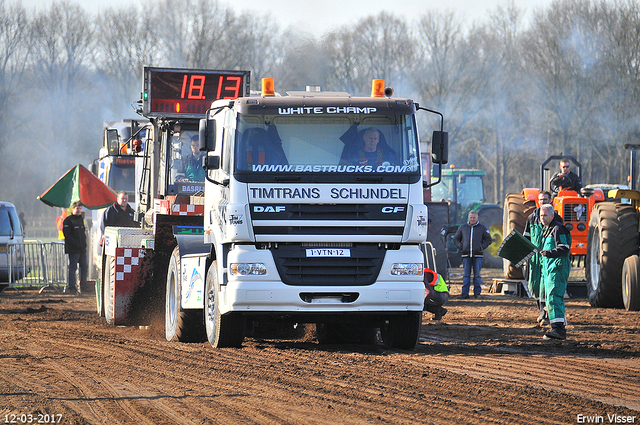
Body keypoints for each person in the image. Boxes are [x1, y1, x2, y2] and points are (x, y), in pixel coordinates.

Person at [523, 191, 563, 326]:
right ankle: (541, 312)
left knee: (546, 287)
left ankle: (546, 315)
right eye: (540, 200)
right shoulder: (531, 218)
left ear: (550, 201)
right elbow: (526, 238)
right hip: (535, 259)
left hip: (549, 258)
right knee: (535, 286)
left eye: (545, 199)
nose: (543, 202)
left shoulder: (556, 219)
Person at [539, 204, 571, 340]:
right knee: (550, 298)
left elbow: (564, 248)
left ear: (552, 215)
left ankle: (559, 330)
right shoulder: (547, 230)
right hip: (549, 269)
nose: (542, 218)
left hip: (557, 268)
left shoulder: (558, 229)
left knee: (554, 296)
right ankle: (555, 328)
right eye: (541, 215)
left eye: (545, 215)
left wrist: (549, 253)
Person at [454, 210, 493, 299]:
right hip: (466, 255)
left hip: (477, 255)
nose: (472, 219)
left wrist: (481, 247)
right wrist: (461, 246)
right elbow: (456, 239)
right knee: (466, 275)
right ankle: (465, 294)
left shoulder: (482, 228)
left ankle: (477, 294)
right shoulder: (463, 227)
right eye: (471, 217)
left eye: (474, 218)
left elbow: (488, 240)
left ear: (477, 218)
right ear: (468, 218)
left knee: (477, 275)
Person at [63, 202, 87, 294]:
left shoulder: (81, 219)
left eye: (80, 208)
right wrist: (76, 245)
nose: (78, 210)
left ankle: (83, 286)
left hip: (82, 249)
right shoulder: (68, 221)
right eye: (76, 208)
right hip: (73, 249)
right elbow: (68, 236)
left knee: (84, 267)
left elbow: (83, 234)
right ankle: (72, 287)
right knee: (73, 268)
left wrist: (84, 245)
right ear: (72, 209)